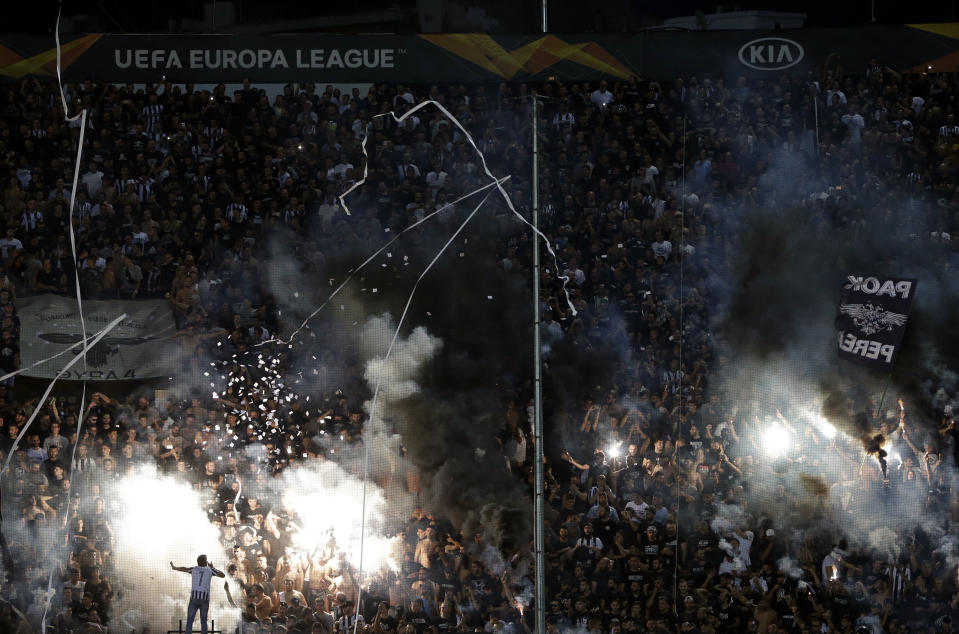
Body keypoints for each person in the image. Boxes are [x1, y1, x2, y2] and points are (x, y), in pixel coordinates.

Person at [171, 554, 226, 634]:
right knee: (203, 621)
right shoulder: (210, 570)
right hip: (204, 600)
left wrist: (175, 568)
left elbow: (184, 569)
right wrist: (212, 567)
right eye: (206, 560)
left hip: (194, 599)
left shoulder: (194, 569)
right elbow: (223, 575)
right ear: (205, 562)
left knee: (190, 621)